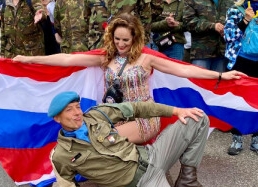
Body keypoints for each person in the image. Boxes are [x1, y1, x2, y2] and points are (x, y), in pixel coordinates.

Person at [47, 91, 258, 187]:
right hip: (145, 186)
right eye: (69, 110)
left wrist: (176, 111)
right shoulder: (62, 154)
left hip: (154, 154)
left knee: (197, 117)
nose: (77, 113)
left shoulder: (96, 115)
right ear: (57, 118)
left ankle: (187, 178)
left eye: (77, 106)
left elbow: (137, 108)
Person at [13, 13, 245, 147]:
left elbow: (184, 71)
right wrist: (30, 60)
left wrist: (222, 75)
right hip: (113, 116)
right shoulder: (106, 56)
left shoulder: (147, 59)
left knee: (105, 141)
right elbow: (67, 59)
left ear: (135, 38)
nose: (121, 44)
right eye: (117, 39)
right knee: (83, 137)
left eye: (125, 40)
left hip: (144, 117)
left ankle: (130, 176)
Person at [224, 0, 258, 155]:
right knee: (238, 101)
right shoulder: (235, 10)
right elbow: (228, 36)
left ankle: (256, 140)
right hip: (240, 61)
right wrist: (245, 20)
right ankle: (236, 139)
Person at [183, 0, 234, 72]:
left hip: (222, 52)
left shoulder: (231, 1)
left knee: (218, 82)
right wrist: (212, 26)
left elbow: (235, 21)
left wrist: (228, 30)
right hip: (201, 53)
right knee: (199, 82)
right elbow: (188, 22)